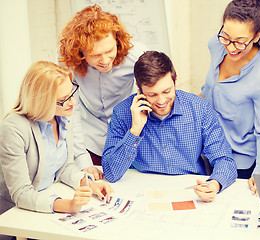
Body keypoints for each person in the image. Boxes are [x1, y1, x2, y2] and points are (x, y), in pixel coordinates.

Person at [102, 51, 237, 202]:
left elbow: (224, 159)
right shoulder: (122, 113)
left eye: (167, 91)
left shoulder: (199, 108)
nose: (161, 101)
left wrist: (215, 183)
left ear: (175, 80)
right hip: (142, 192)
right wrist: (135, 130)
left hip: (190, 190)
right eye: (152, 95)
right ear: (139, 89)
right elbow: (111, 173)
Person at [0, 61, 113, 215]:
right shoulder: (13, 129)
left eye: (72, 93)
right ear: (42, 102)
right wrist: (68, 205)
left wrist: (89, 184)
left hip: (45, 198)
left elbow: (64, 167)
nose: (72, 103)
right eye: (64, 99)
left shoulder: (63, 116)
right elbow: (21, 193)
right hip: (14, 212)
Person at [58, 4, 146, 166]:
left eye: (109, 51)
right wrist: (82, 160)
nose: (105, 61)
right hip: (90, 140)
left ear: (117, 42)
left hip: (128, 136)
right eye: (95, 55)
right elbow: (71, 113)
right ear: (80, 52)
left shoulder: (137, 56)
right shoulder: (69, 64)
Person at [200, 0, 260, 180]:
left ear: (257, 36)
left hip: (239, 163)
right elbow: (208, 90)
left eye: (240, 42)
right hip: (208, 150)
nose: (230, 47)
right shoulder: (216, 44)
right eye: (226, 37)